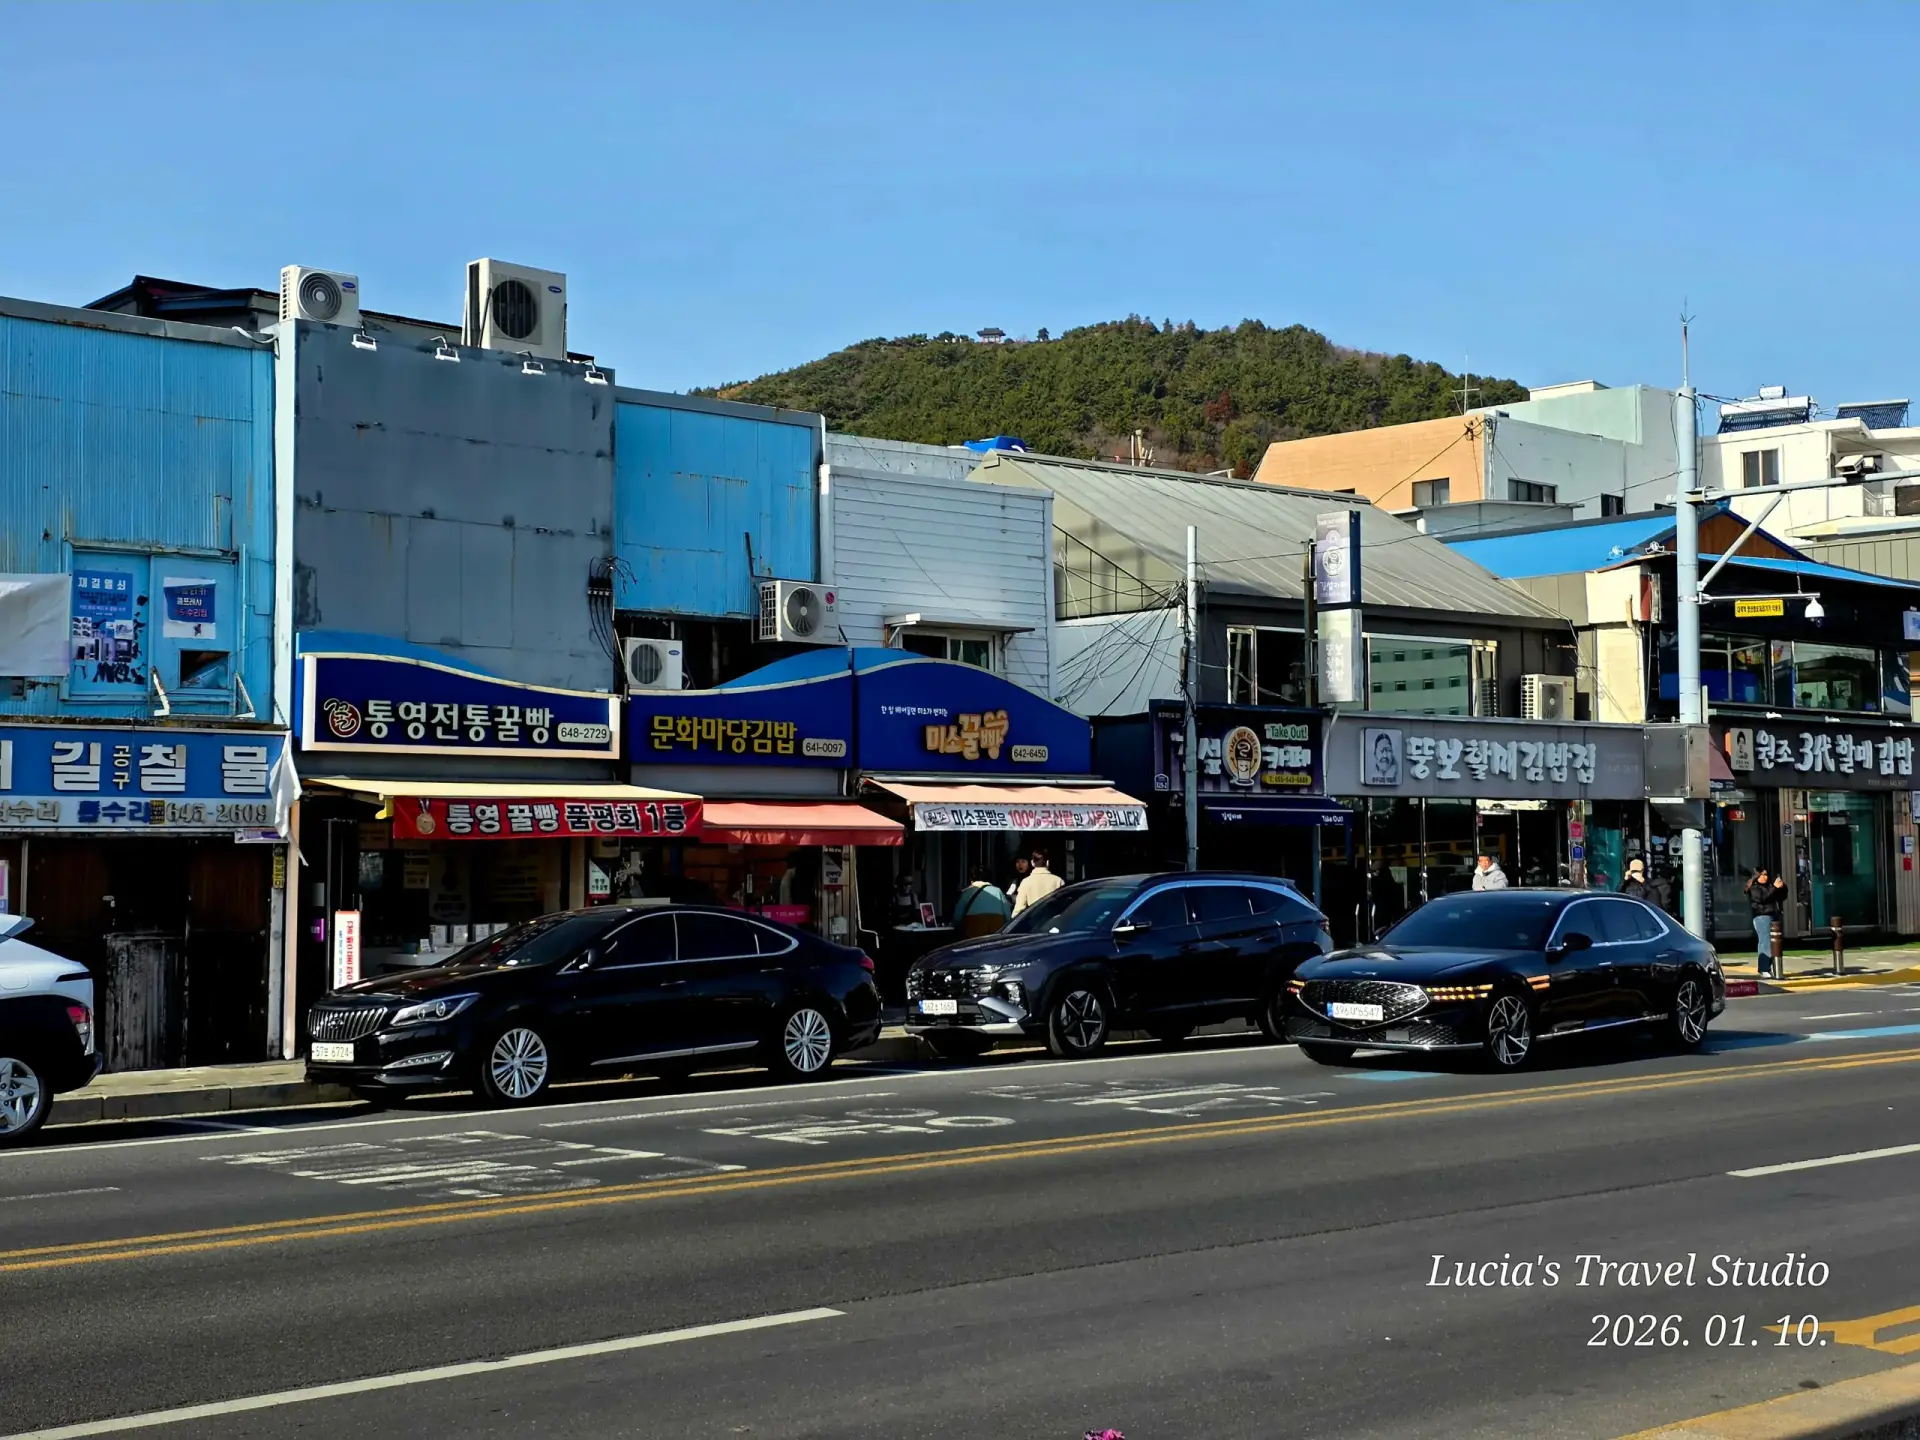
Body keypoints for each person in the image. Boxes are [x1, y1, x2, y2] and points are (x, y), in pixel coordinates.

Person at [951, 864, 1012, 939]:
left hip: (974, 933)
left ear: (971, 879)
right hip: (996, 931)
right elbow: (1008, 915)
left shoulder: (966, 893)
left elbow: (957, 918)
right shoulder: (998, 891)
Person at [1747, 867, 1784, 977]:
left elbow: (1781, 896)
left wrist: (1781, 887)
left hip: (1772, 915)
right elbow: (1761, 898)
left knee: (1772, 943)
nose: (1765, 877)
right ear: (1757, 876)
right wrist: (1774, 887)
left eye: (1766, 875)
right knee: (1765, 942)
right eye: (1762, 875)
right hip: (1762, 916)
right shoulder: (1754, 888)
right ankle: (1764, 968)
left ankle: (1770, 967)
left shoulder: (1768, 886)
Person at [1012, 848, 1064, 915]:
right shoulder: (1058, 881)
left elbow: (1018, 911)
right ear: (1047, 863)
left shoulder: (1025, 882)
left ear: (1032, 863)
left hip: (1035, 923)